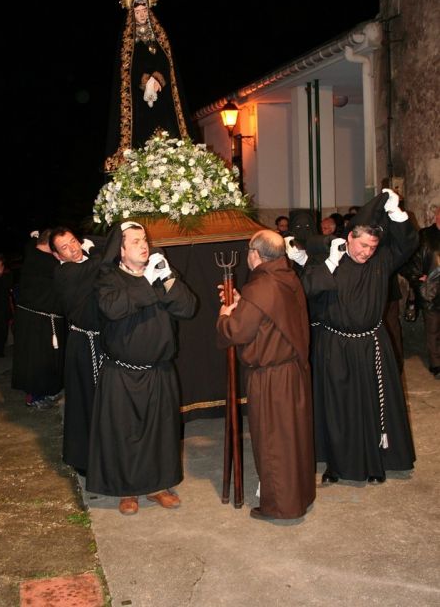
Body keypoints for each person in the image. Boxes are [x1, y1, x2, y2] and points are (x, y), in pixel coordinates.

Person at [287, 189, 418, 485]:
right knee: (337, 407)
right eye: (362, 246)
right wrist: (330, 265)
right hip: (335, 344)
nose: (366, 252)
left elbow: (409, 244)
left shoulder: (381, 260)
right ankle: (338, 464)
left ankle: (376, 461)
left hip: (372, 342)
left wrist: (398, 215)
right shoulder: (328, 259)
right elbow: (304, 291)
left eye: (372, 246)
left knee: (372, 404)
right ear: (349, 239)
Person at [86, 221, 196, 515]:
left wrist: (168, 278)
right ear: (120, 250)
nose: (143, 244)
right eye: (134, 241)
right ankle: (127, 490)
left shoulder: (159, 275)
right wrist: (147, 281)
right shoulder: (108, 278)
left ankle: (158, 486)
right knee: (125, 433)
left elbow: (188, 308)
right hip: (122, 373)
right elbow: (113, 309)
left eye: (144, 239)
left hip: (158, 370)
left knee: (160, 432)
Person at [216, 230, 315, 520]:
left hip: (271, 377)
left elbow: (238, 331)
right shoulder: (287, 277)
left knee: (273, 441)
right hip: (292, 371)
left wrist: (224, 315)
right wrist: (241, 301)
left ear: (256, 255)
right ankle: (300, 496)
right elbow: (266, 315)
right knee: (293, 437)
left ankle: (280, 507)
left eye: (249, 250)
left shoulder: (261, 287)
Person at [105, 0, 190, 169]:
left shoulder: (160, 38)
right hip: (138, 104)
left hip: (163, 98)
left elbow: (167, 63)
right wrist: (145, 81)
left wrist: (157, 79)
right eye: (138, 11)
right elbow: (127, 72)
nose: (142, 14)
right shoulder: (127, 42)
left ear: (149, 10)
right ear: (132, 13)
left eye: (144, 9)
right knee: (141, 140)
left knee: (168, 135)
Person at [49, 227, 105, 475]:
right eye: (65, 247)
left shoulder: (87, 261)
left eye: (74, 241)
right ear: (56, 255)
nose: (73, 248)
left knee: (106, 401)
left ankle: (109, 453)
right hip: (84, 344)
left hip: (103, 341)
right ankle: (88, 459)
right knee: (87, 401)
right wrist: (94, 247)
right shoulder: (66, 272)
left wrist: (92, 243)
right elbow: (101, 261)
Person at [12, 230, 65, 408]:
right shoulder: (50, 263)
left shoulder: (32, 253)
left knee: (32, 358)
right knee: (39, 360)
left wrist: (34, 236)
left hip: (29, 318)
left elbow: (31, 243)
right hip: (40, 322)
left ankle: (41, 392)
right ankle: (36, 396)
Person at [402, 206, 440, 379]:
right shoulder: (424, 236)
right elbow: (409, 259)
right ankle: (436, 364)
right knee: (433, 330)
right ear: (436, 216)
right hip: (431, 291)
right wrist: (417, 277)